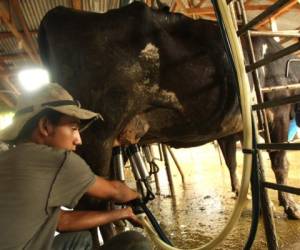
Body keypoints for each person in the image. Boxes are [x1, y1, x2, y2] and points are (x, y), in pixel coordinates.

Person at [0, 83, 152, 250]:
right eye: (73, 129)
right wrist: (137, 194)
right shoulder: (57, 161)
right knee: (136, 243)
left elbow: (62, 221)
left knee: (80, 238)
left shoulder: (6, 159)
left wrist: (121, 213)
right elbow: (115, 191)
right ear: (45, 126)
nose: (78, 140)